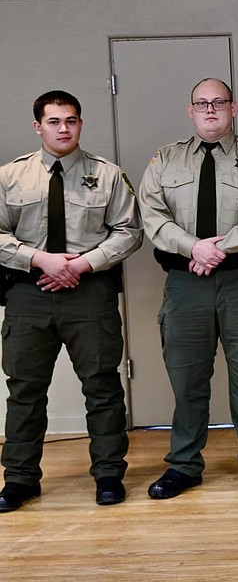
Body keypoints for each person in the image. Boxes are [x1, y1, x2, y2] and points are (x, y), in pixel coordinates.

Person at [0, 90, 143, 512]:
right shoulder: (11, 176)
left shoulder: (108, 174)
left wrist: (81, 265)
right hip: (29, 294)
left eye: (72, 121)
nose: (64, 129)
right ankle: (20, 479)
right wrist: (39, 258)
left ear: (81, 123)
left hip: (89, 294)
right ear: (37, 125)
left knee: (102, 387)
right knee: (25, 390)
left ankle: (109, 475)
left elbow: (129, 231)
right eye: (54, 121)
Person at [138, 78, 238, 499]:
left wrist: (220, 248)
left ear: (234, 108)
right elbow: (151, 214)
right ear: (190, 110)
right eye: (202, 103)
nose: (211, 109)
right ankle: (184, 465)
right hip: (186, 282)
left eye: (219, 102)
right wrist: (193, 248)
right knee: (187, 380)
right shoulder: (165, 160)